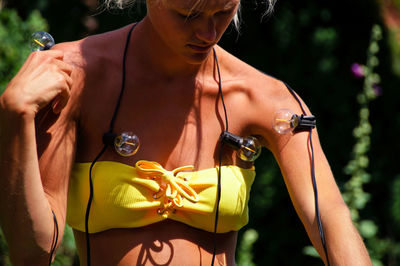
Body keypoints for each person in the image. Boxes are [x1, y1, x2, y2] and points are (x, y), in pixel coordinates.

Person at [0, 0, 372, 265]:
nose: (208, 33)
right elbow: (33, 253)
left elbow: (329, 215)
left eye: (224, 12)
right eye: (188, 14)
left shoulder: (268, 99)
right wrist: (14, 116)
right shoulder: (75, 77)